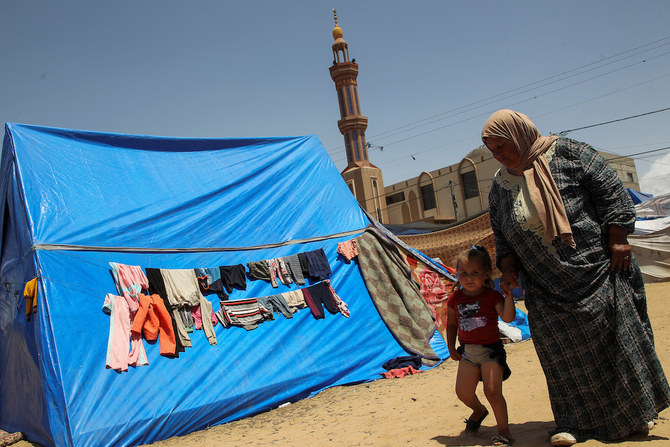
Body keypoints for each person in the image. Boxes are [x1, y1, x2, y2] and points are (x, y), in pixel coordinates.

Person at [482, 109, 670, 446]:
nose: (499, 155)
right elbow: (502, 235)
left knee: (614, 347)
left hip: (598, 272)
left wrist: (618, 238)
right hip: (546, 288)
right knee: (563, 361)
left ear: (521, 134)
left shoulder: (570, 154)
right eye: (492, 150)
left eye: (503, 145)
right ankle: (573, 424)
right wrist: (508, 267)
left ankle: (633, 417)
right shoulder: (500, 186)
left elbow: (612, 193)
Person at [447, 246, 517, 447]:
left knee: (492, 391)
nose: (469, 278)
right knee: (463, 393)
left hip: (490, 352)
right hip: (468, 353)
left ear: (486, 274)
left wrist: (509, 297)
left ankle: (504, 432)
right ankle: (479, 411)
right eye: (464, 273)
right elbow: (451, 324)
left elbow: (508, 317)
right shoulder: (455, 298)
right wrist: (451, 347)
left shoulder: (492, 296)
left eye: (475, 273)